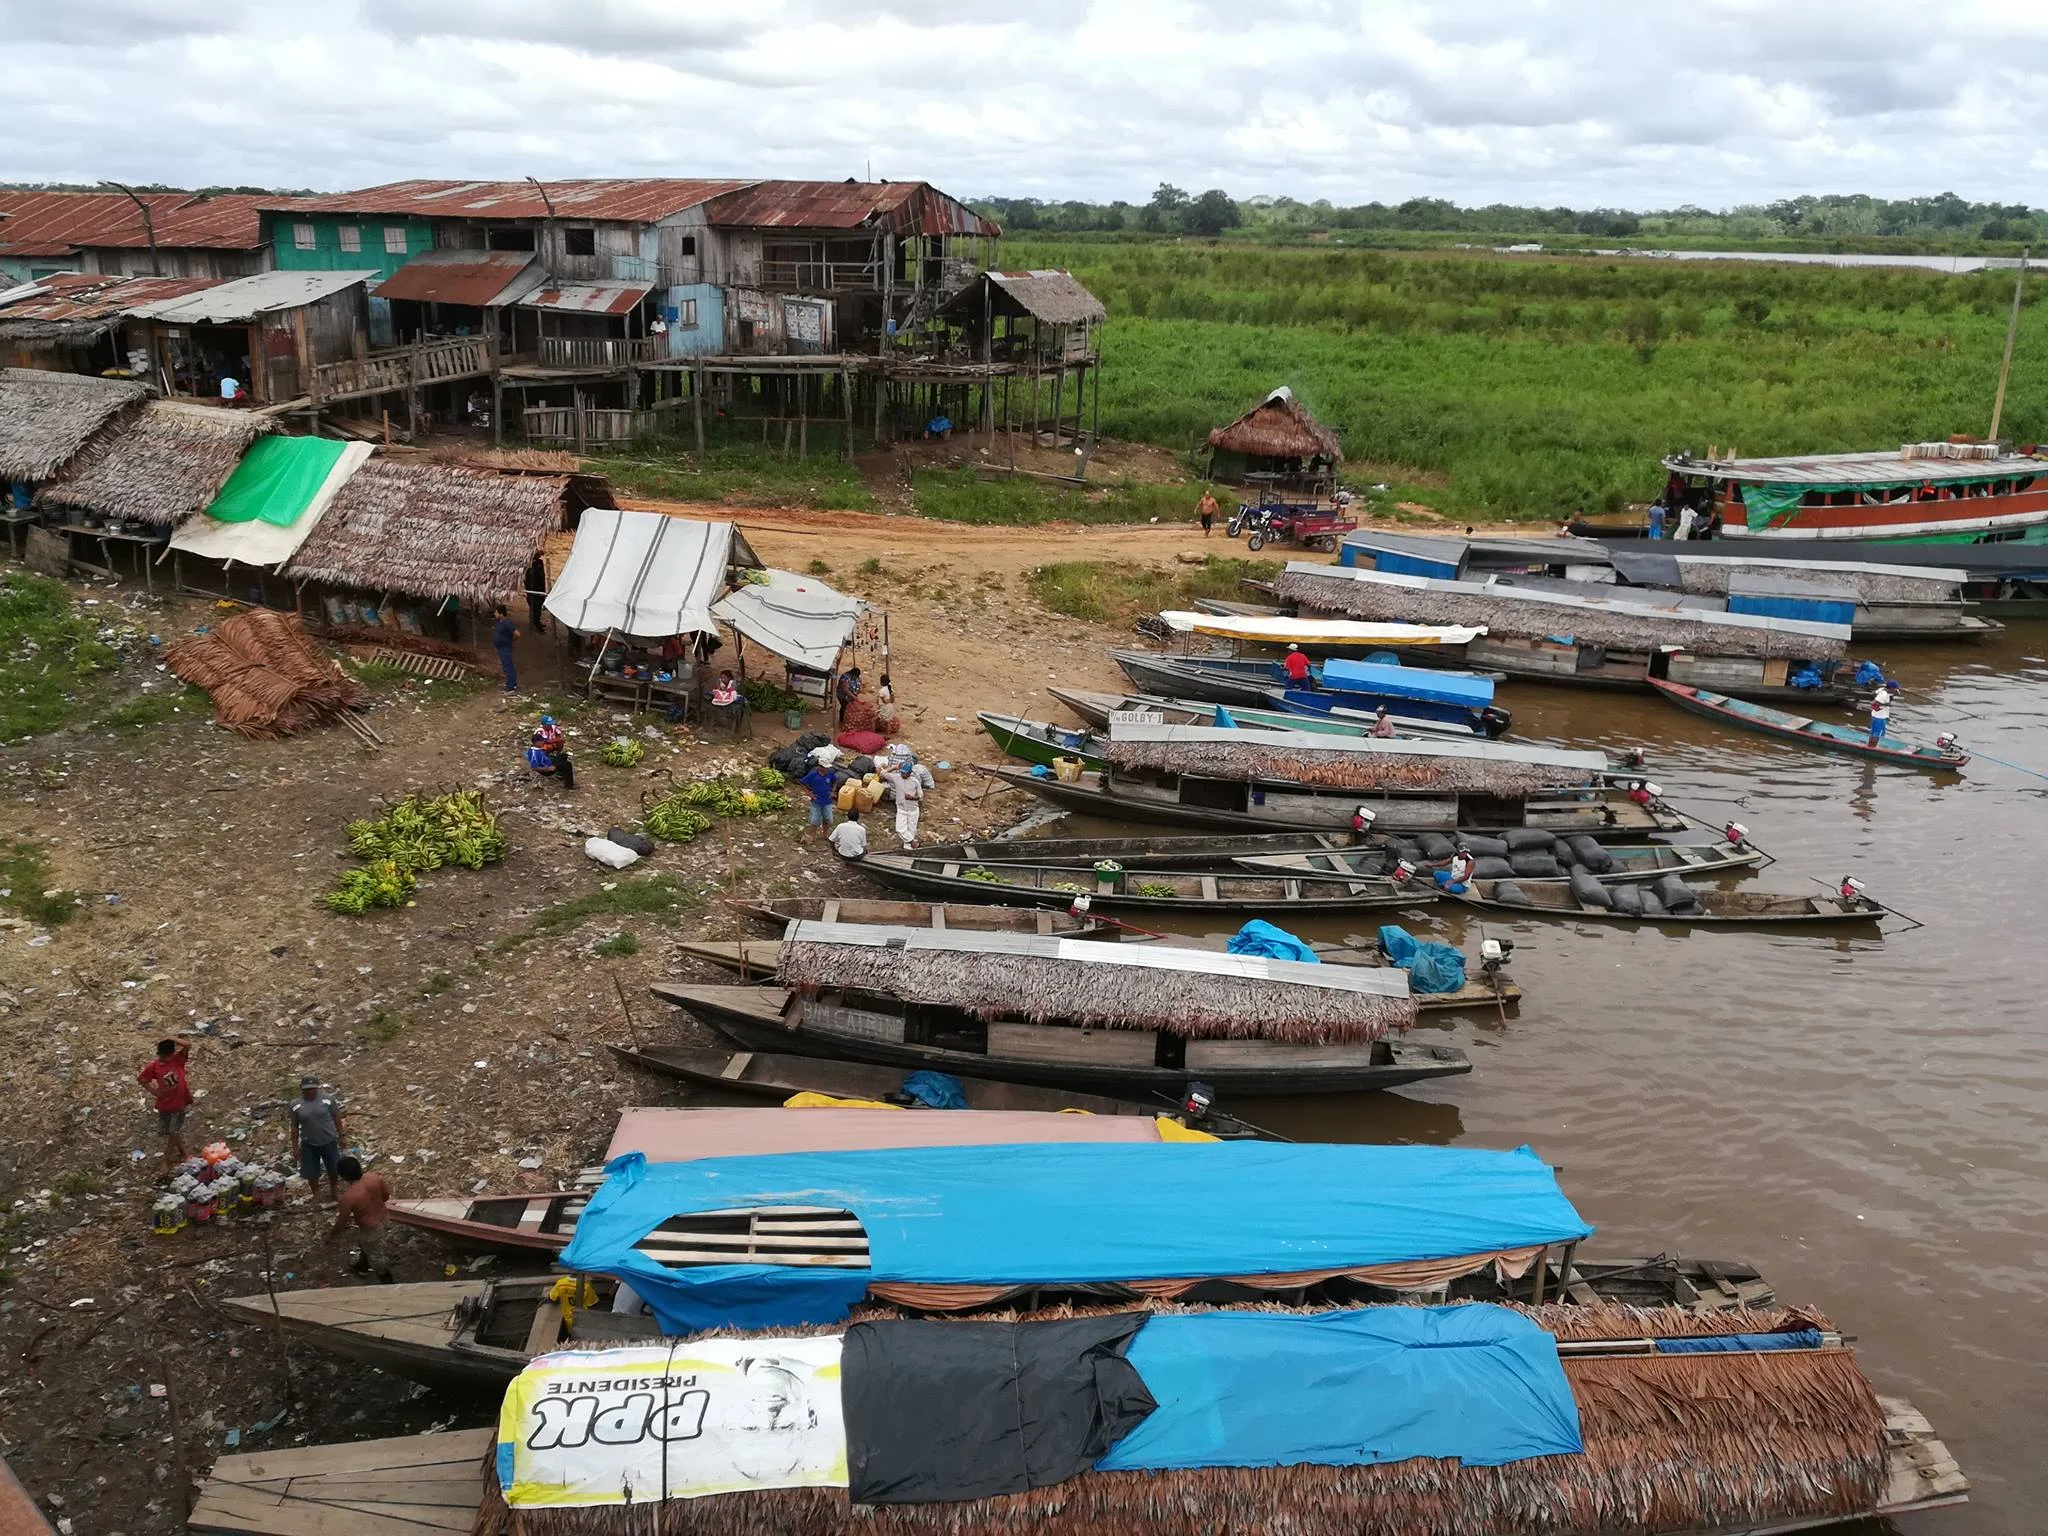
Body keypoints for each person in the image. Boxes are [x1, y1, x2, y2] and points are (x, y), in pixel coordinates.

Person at [329, 1156, 394, 1284]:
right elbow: (385, 1197)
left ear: (343, 1176)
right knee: (367, 1244)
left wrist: (330, 1236)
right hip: (384, 1218)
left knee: (377, 1257)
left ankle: (388, 1284)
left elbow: (342, 1222)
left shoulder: (348, 1197)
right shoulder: (375, 1178)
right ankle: (362, 1266)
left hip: (370, 1228)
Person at [137, 1038, 193, 1175]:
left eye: (169, 1056)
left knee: (174, 1131)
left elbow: (188, 1045)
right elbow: (142, 1080)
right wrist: (154, 1091)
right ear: (159, 1054)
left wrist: (171, 1038)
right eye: (164, 1056)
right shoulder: (154, 1067)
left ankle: (165, 1161)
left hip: (179, 1102)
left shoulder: (178, 1060)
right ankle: (183, 1153)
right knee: (170, 1131)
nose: (167, 1059)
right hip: (165, 1104)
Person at [289, 1075, 348, 1204]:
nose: (310, 1092)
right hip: (309, 1143)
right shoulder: (295, 1105)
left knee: (333, 1167)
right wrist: (295, 1147)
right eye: (306, 1089)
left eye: (312, 1089)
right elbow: (294, 1127)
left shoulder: (328, 1100)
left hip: (329, 1140)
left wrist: (341, 1135)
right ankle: (316, 1194)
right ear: (301, 1089)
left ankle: (334, 1189)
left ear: (317, 1088)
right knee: (311, 1171)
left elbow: (336, 1118)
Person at [882, 753, 935, 850]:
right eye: (902, 772)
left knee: (911, 831)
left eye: (905, 773)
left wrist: (912, 798)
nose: (903, 774)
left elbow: (920, 796)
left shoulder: (915, 781)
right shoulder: (896, 777)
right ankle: (912, 842)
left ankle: (908, 848)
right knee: (900, 829)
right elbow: (883, 774)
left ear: (910, 772)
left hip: (913, 810)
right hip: (901, 809)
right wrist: (895, 767)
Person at [531, 714, 574, 789]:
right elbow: (534, 767)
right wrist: (550, 768)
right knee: (567, 764)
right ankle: (569, 785)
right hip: (546, 768)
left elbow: (560, 738)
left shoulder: (537, 749)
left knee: (564, 756)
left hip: (548, 762)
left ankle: (561, 773)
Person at [800, 760, 837, 839]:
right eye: (825, 768)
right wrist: (809, 793)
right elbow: (802, 782)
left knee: (827, 818)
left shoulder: (830, 774)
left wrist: (832, 791)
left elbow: (835, 781)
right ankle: (812, 835)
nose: (827, 769)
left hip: (827, 801)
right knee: (815, 819)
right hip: (816, 801)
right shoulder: (813, 775)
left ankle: (825, 834)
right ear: (820, 767)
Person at [491, 604, 519, 692]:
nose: (495, 614)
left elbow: (517, 634)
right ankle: (509, 683)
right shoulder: (499, 622)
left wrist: (509, 640)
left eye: (496, 612)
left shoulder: (508, 623)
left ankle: (511, 685)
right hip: (500, 647)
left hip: (505, 648)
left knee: (508, 666)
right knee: (505, 666)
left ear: (501, 614)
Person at [1865, 681, 1893, 748]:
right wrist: (1885, 704)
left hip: (1875, 715)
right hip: (1880, 717)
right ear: (1892, 688)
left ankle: (1869, 746)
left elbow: (1873, 693)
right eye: (1895, 688)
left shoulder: (1881, 690)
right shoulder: (1884, 694)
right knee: (1877, 734)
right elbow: (1873, 703)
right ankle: (1872, 748)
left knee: (1873, 733)